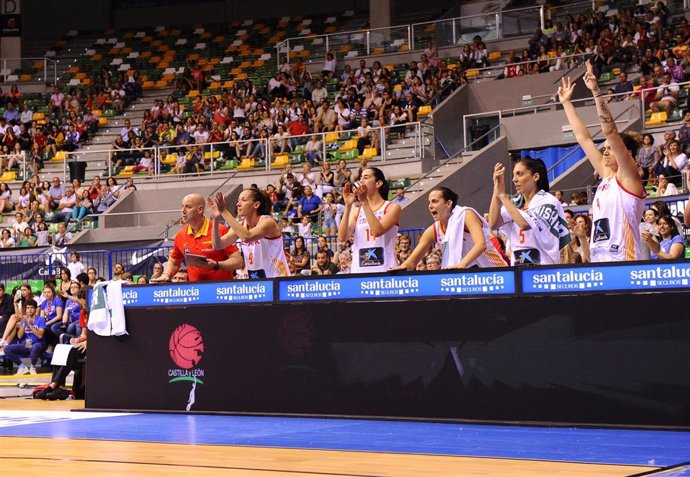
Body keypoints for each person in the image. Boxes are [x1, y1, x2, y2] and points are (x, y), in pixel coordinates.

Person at [558, 62, 646, 262]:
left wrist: (597, 92)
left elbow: (610, 131)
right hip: (599, 260)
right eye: (604, 148)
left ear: (626, 153)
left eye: (610, 148)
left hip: (623, 259)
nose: (605, 152)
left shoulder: (629, 177)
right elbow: (584, 139)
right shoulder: (606, 175)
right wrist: (566, 104)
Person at [395, 187, 508, 270]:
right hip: (465, 277)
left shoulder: (466, 214)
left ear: (448, 203)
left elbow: (481, 244)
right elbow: (412, 261)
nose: (430, 206)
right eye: (429, 202)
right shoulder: (433, 230)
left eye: (435, 201)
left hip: (493, 271)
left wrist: (461, 265)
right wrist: (401, 267)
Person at [488, 158, 571, 265]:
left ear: (535, 176)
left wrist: (503, 196)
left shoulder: (549, 201)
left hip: (542, 268)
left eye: (519, 174)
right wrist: (496, 190)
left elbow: (524, 224)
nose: (514, 179)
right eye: (514, 175)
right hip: (518, 266)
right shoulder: (515, 203)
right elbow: (493, 223)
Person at [153, 193, 242, 283]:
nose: (183, 211)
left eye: (188, 207)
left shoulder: (220, 230)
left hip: (220, 289)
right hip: (196, 291)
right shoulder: (181, 235)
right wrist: (166, 274)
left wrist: (216, 265)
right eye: (182, 206)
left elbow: (237, 261)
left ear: (200, 209)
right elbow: (174, 262)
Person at [209, 187, 290, 279]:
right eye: (238, 200)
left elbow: (247, 236)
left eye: (243, 200)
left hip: (278, 279)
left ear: (256, 204)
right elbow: (217, 245)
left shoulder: (268, 222)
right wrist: (215, 219)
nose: (238, 204)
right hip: (259, 281)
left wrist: (224, 211)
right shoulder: (241, 225)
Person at [338, 167, 401, 273]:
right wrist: (348, 206)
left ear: (378, 183)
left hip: (385, 269)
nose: (361, 180)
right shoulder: (356, 210)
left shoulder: (392, 207)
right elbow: (342, 237)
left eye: (366, 177)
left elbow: (378, 231)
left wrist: (364, 202)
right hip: (359, 270)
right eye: (361, 177)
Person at [3, 299, 46, 376]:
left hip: (39, 343)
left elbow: (40, 335)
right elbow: (19, 336)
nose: (29, 310)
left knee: (35, 346)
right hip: (27, 344)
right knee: (7, 349)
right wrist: (23, 323)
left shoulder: (41, 319)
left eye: (31, 308)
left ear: (35, 309)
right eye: (28, 308)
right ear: (25, 309)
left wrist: (30, 325)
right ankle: (22, 367)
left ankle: (32, 367)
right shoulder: (24, 320)